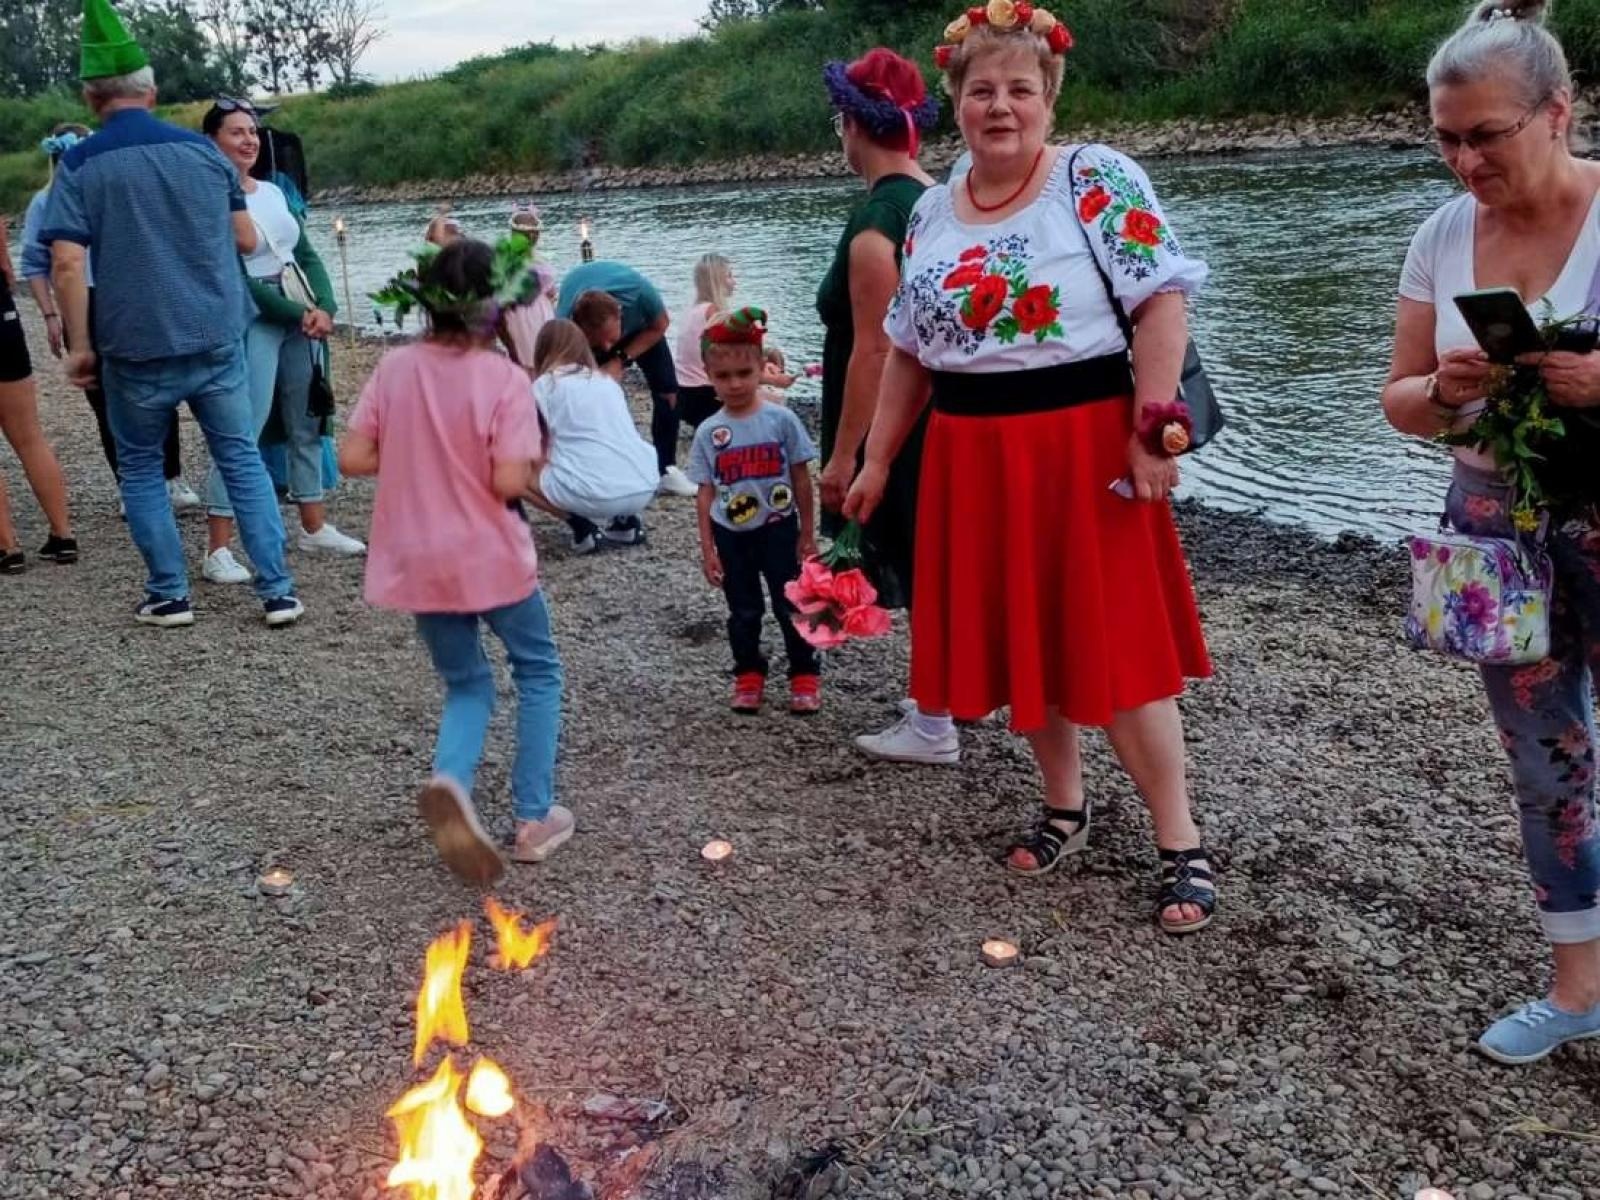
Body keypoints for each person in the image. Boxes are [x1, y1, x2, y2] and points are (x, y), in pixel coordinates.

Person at [843, 5, 1216, 934]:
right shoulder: (930, 209)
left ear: (1049, 97)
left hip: (1085, 446)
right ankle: (1064, 805)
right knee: (1022, 643)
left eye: (1018, 88)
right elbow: (907, 353)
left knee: (1121, 651)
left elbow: (1161, 304)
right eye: (980, 91)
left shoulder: (1095, 180)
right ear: (956, 108)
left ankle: (1180, 841)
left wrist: (1156, 426)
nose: (999, 106)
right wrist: (876, 459)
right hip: (971, 455)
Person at [1382, 0, 1600, 1063]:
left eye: (1485, 135)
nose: (1462, 161)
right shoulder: (1439, 237)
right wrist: (1445, 387)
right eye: (1444, 137)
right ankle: (1576, 988)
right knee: (1543, 758)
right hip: (1492, 525)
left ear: (1556, 113)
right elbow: (1397, 401)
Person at [41, 0, 302, 628]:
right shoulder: (205, 155)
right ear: (151, 91)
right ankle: (277, 592)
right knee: (238, 455)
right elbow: (244, 241)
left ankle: (170, 595)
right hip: (214, 332)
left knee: (139, 464)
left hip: (134, 342)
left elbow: (69, 265)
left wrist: (80, 344)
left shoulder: (78, 164)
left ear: (89, 95)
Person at [340, 237, 571, 884]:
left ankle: (451, 781)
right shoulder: (502, 378)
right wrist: (530, 461)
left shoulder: (395, 369)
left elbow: (352, 458)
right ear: (495, 307)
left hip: (417, 560)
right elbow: (506, 482)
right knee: (537, 670)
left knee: (467, 682)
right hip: (489, 557)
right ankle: (532, 818)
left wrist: (418, 455)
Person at [813, 49, 944, 762]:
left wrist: (844, 458)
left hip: (892, 421)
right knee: (935, 556)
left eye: (840, 118)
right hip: (942, 412)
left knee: (916, 559)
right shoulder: (937, 200)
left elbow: (875, 351)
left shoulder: (875, 226)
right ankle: (944, 698)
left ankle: (933, 720)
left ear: (854, 125)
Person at [200, 99, 364, 585]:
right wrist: (299, 313)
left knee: (309, 417)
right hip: (255, 315)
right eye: (236, 133)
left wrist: (326, 307)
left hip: (300, 308)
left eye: (252, 132)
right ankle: (218, 548)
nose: (248, 140)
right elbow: (232, 275)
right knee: (241, 429)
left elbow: (305, 252)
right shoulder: (210, 200)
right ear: (212, 141)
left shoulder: (272, 191)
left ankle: (313, 525)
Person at [21, 122, 200, 514]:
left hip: (134, 296)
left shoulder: (119, 191)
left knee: (158, 386)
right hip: (79, 301)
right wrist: (51, 314)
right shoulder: (45, 202)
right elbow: (35, 263)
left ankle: (171, 475)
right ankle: (129, 482)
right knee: (103, 399)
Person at [687, 308, 822, 715]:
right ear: (709, 375)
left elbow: (801, 478)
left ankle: (804, 672)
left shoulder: (781, 420)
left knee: (791, 603)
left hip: (779, 528)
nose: (736, 384)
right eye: (724, 376)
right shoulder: (709, 432)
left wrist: (807, 533)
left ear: (761, 369)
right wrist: (708, 548)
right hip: (732, 533)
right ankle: (748, 672)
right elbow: (705, 493)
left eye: (744, 373)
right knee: (743, 608)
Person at [557, 262, 695, 497]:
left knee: (669, 393)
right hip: (587, 337)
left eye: (610, 341)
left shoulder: (641, 294)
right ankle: (595, 470)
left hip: (641, 331)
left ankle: (667, 470)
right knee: (589, 398)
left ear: (620, 314)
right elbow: (558, 364)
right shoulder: (563, 322)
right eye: (600, 343)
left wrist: (619, 359)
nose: (607, 348)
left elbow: (660, 325)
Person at [527, 319, 658, 553]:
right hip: (643, 484)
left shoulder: (544, 387)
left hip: (590, 493)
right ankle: (625, 522)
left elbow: (530, 444)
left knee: (515, 473)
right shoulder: (606, 382)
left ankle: (581, 527)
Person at [0, 211, 77, 573]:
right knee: (30, 436)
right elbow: (6, 267)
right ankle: (62, 534)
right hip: (2, 317)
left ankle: (8, 546)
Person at [674, 253, 735, 428]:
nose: (734, 282)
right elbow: (729, 357)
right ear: (717, 281)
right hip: (704, 397)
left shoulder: (692, 310)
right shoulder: (713, 313)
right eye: (729, 276)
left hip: (683, 391)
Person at [501, 202, 560, 371]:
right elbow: (551, 291)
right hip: (536, 309)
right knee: (540, 352)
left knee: (522, 354)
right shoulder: (535, 260)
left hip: (514, 311)